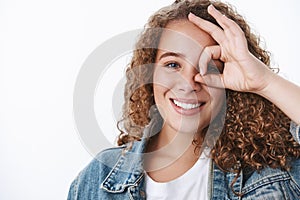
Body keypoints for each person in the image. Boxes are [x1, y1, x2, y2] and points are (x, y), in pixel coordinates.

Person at [68, 0, 300, 199]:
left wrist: (264, 82)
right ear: (150, 74)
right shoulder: (98, 178)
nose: (189, 83)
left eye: (209, 66)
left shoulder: (272, 171)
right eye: (172, 64)